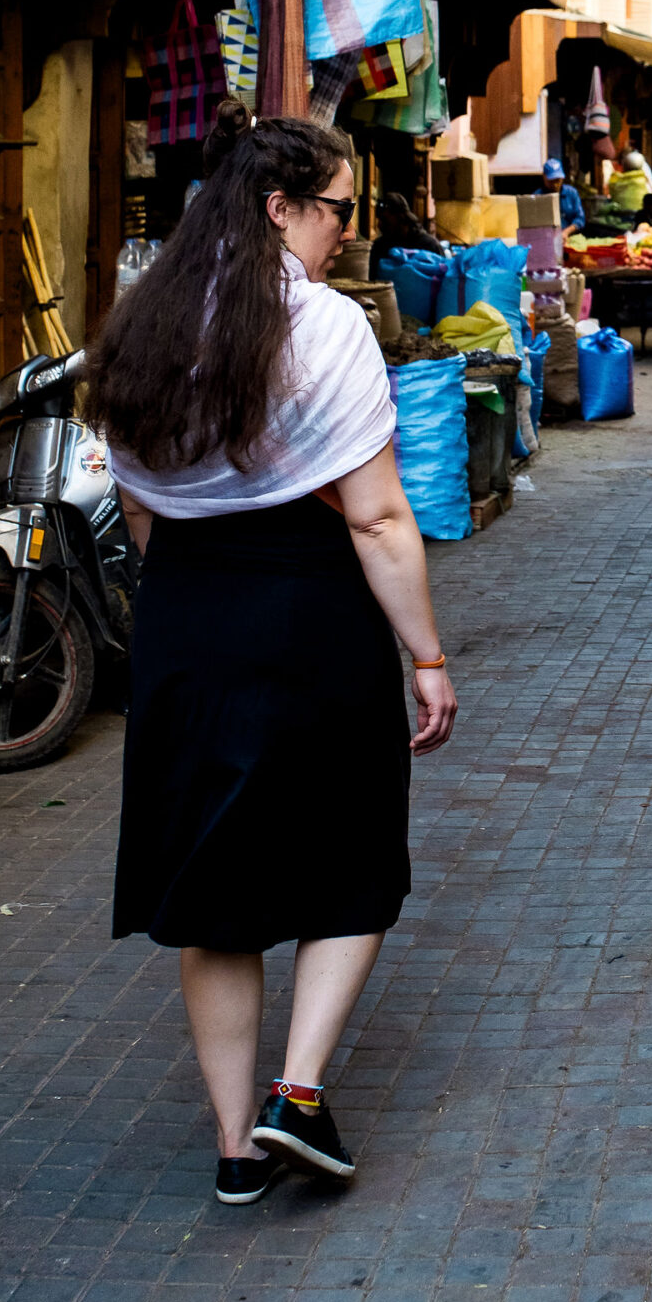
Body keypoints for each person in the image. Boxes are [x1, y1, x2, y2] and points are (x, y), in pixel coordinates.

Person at [90, 105, 456, 1208]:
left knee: (213, 883)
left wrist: (189, 601)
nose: (349, 228)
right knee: (351, 852)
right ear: (279, 205)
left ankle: (233, 1147)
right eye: (340, 207)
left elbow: (136, 501)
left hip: (186, 616)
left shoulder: (144, 321)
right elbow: (380, 517)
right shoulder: (327, 324)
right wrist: (427, 656)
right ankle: (296, 1093)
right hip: (309, 610)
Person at [368, 187, 442, 279]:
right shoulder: (379, 247)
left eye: (385, 220)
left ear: (401, 217)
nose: (379, 225)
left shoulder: (429, 246)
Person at [540, 158, 584, 232]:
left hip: (569, 239)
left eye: (558, 180)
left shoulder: (572, 193)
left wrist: (566, 232)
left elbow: (580, 218)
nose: (555, 184)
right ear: (544, 177)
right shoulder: (538, 197)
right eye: (551, 181)